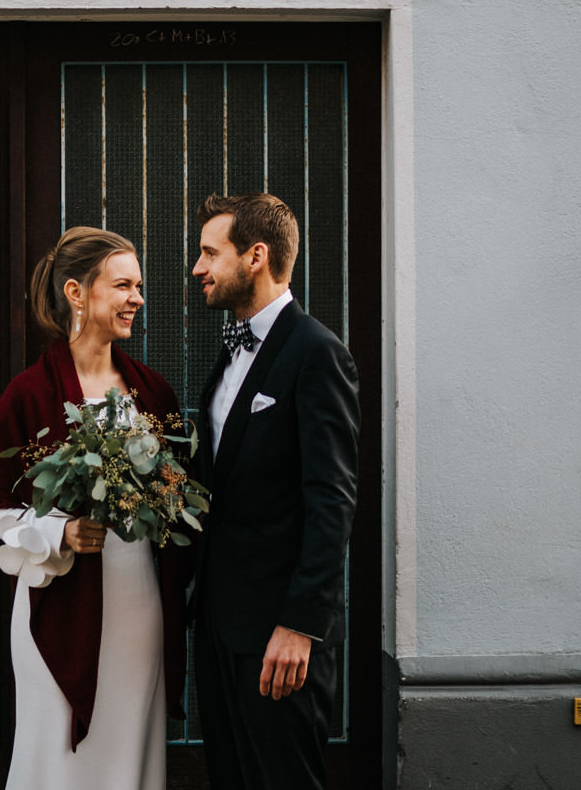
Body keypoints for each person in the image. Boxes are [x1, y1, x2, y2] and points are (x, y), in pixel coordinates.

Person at [0, 227, 191, 790]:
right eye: (123, 285)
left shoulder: (154, 394)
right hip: (59, 602)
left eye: (139, 286)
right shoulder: (27, 395)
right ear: (77, 292)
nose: (137, 299)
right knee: (55, 753)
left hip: (138, 602)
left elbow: (176, 501)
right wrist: (60, 531)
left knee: (128, 748)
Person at [190, 192, 360, 790]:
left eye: (211, 252)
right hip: (220, 627)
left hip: (278, 638)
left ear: (255, 256)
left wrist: (300, 625)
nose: (198, 267)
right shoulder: (232, 349)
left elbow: (332, 499)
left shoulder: (316, 353)